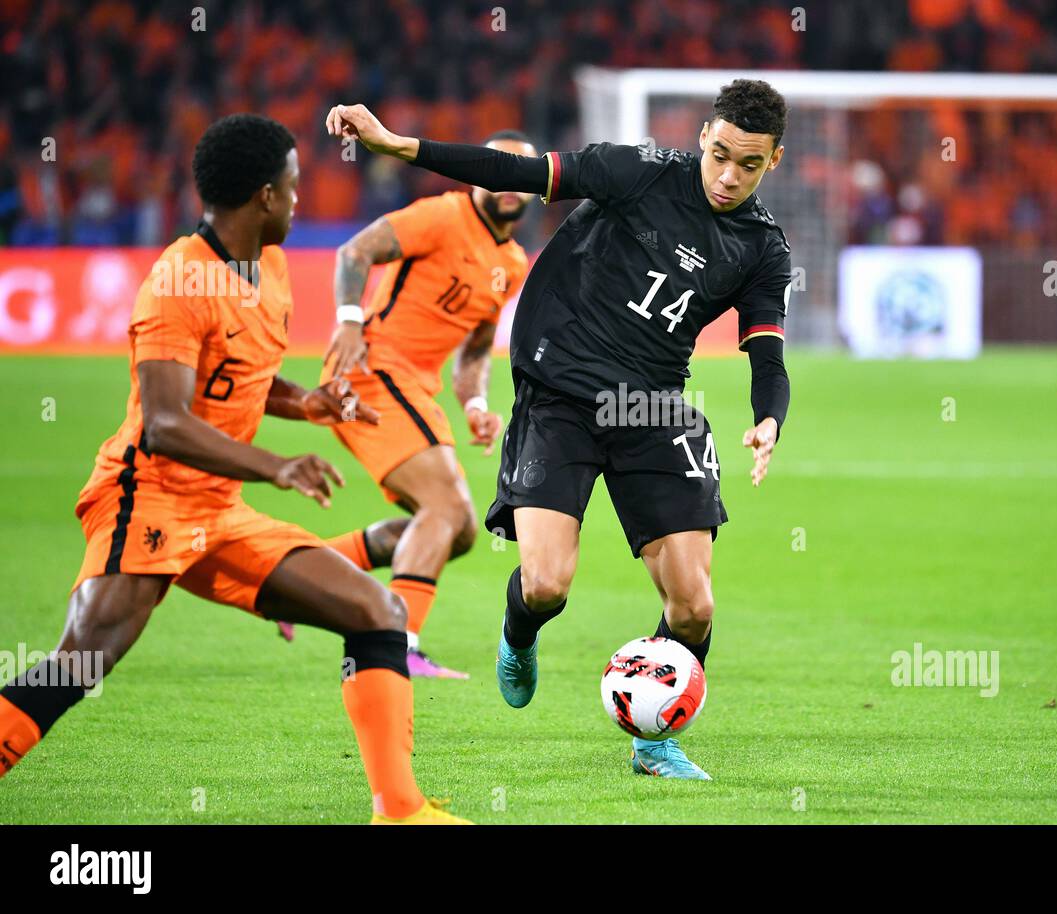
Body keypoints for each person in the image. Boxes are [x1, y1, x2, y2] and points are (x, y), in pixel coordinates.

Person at [0, 114, 470, 822]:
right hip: (148, 499)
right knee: (79, 666)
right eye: (294, 185)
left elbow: (242, 380)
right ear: (265, 198)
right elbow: (164, 423)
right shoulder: (177, 283)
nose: (300, 197)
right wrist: (276, 466)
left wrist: (309, 403)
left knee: (378, 613)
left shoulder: (269, 267)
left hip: (218, 510)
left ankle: (400, 811)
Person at [326, 78, 793, 778]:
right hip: (561, 396)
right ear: (703, 136)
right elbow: (515, 170)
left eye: (748, 164)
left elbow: (768, 352)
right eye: (720, 154)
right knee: (546, 584)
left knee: (693, 606)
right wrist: (399, 144)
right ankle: (519, 634)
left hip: (652, 408)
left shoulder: (761, 248)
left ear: (773, 163)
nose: (729, 176)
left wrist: (768, 419)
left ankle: (655, 740)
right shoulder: (635, 173)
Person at [276, 131, 535, 679]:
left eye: (523, 172)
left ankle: (294, 575)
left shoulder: (511, 262)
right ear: (477, 174)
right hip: (371, 373)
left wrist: (477, 403)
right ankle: (397, 644)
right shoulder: (441, 216)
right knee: (446, 510)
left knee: (458, 529)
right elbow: (356, 251)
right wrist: (348, 320)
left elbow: (472, 351)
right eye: (501, 168)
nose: (512, 182)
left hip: (416, 387)